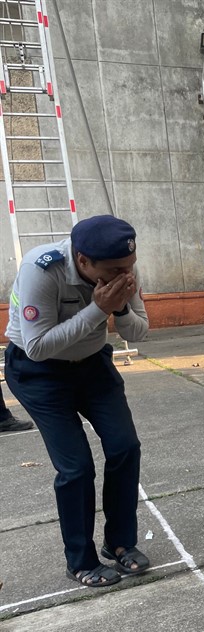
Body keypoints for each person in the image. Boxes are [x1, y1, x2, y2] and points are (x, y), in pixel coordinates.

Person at [4, 215, 149, 587]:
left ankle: (119, 542)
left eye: (129, 267)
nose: (125, 275)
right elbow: (37, 347)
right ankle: (80, 561)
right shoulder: (42, 270)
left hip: (92, 364)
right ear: (83, 260)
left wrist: (120, 307)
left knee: (125, 446)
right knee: (77, 467)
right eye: (115, 270)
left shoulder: (123, 267)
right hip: (39, 373)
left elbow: (139, 332)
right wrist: (98, 309)